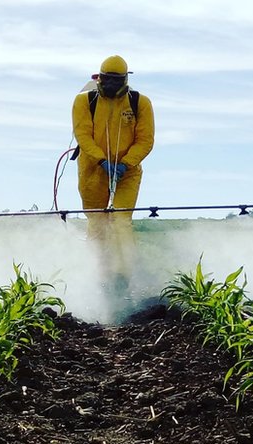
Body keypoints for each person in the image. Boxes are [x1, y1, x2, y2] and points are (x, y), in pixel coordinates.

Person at [72, 55, 155, 291]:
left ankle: (124, 275)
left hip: (127, 172)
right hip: (92, 171)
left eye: (116, 81)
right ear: (100, 78)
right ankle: (98, 273)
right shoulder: (84, 101)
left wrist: (126, 163)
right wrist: (101, 161)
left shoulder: (140, 103)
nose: (110, 85)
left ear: (125, 80)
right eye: (107, 80)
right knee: (97, 222)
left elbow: (145, 140)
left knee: (120, 220)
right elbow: (83, 135)